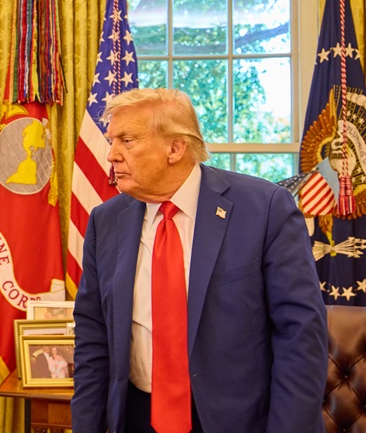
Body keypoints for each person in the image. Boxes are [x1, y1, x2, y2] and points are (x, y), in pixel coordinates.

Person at [71, 88, 327, 433]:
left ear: (175, 148)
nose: (111, 155)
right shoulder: (106, 220)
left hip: (235, 420)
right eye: (112, 140)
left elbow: (300, 336)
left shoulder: (264, 209)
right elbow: (93, 339)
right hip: (136, 417)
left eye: (126, 140)